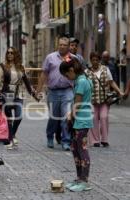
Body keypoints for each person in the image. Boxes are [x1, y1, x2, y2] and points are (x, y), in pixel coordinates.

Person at [59, 58, 93, 192]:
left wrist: (70, 115)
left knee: (82, 150)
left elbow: (77, 103)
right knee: (75, 149)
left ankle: (84, 181)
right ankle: (79, 178)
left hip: (82, 120)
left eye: (67, 75)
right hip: (78, 120)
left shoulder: (82, 82)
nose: (68, 78)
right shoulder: (80, 79)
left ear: (72, 70)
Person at [0, 47, 37, 150]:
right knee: (8, 118)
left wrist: (33, 93)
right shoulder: (2, 66)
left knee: (19, 116)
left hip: (18, 95)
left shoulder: (21, 67)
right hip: (6, 94)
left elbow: (26, 82)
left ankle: (12, 135)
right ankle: (9, 139)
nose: (9, 54)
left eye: (12, 53)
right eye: (8, 52)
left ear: (16, 54)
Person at [37, 36, 74, 151]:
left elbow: (78, 74)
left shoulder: (73, 58)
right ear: (58, 45)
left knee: (66, 117)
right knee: (53, 117)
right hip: (53, 92)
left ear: (68, 46)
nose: (62, 46)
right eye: (60, 44)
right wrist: (38, 90)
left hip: (67, 91)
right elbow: (44, 74)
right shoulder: (50, 57)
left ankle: (66, 141)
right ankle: (49, 137)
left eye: (64, 45)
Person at [85, 52, 124, 147]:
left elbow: (111, 82)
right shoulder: (87, 71)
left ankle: (104, 139)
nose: (95, 62)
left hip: (104, 100)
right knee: (93, 119)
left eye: (97, 60)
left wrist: (119, 91)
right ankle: (95, 141)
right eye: (93, 60)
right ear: (90, 60)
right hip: (92, 100)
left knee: (103, 117)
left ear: (99, 60)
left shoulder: (105, 69)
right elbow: (84, 85)